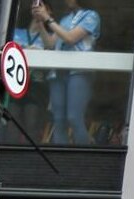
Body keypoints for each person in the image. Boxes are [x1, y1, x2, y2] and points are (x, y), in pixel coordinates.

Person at [30, 0, 99, 145]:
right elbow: (50, 44)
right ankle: (60, 156)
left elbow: (70, 38)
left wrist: (48, 18)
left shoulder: (91, 16)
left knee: (74, 118)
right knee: (59, 119)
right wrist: (41, 22)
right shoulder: (65, 19)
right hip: (58, 73)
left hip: (80, 71)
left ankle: (85, 154)